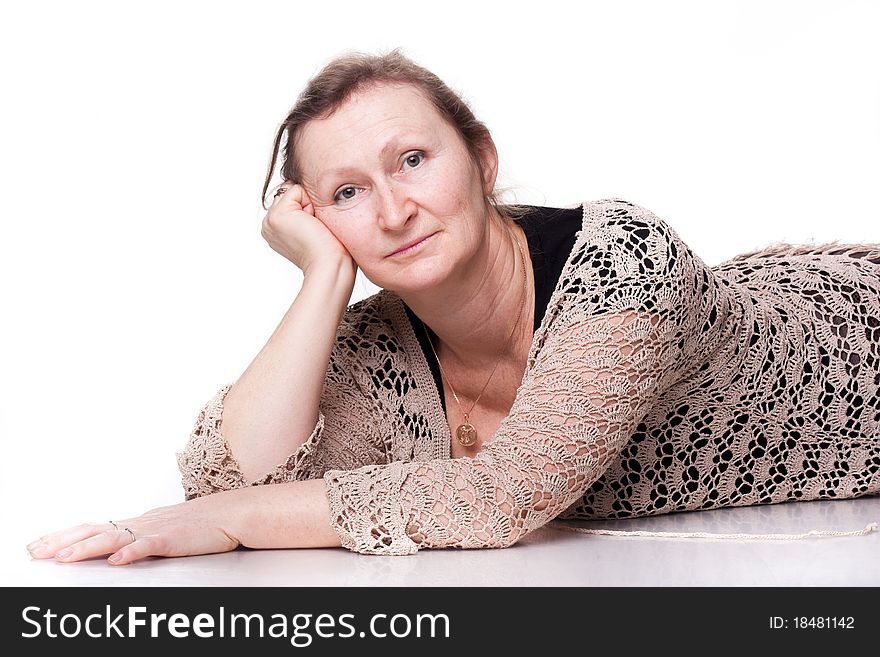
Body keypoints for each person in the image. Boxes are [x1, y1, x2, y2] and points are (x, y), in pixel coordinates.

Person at [27, 49, 880, 565]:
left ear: (480, 157)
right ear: (316, 217)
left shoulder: (623, 263)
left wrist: (227, 523)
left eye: (413, 160)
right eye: (349, 192)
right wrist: (324, 277)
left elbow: (499, 498)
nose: (393, 211)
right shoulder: (382, 345)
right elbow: (225, 479)